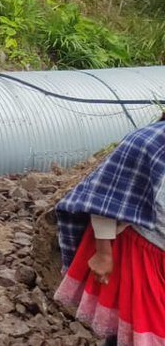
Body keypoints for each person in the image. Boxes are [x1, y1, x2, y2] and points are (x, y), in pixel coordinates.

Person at [54, 112, 165, 346]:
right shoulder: (146, 144)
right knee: (144, 333)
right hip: (142, 253)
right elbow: (105, 199)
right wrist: (103, 253)